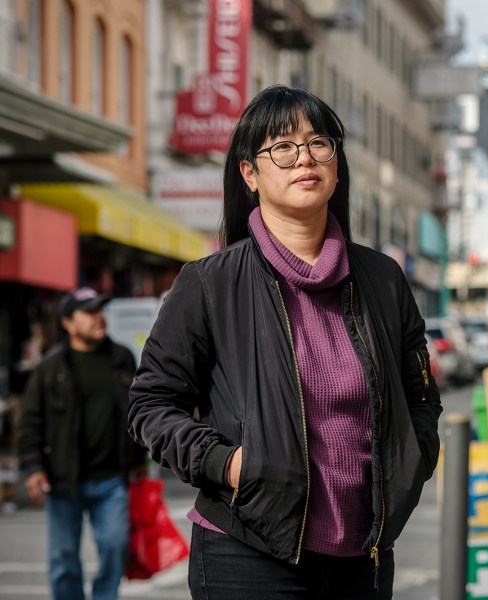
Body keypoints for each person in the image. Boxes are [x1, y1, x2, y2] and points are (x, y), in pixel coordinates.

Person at [128, 85, 443, 600]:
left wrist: (413, 463)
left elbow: (421, 395)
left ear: (337, 167)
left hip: (363, 556)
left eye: (319, 144)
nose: (304, 158)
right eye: (282, 147)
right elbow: (151, 405)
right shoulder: (210, 284)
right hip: (248, 551)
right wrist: (229, 466)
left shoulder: (383, 279)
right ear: (249, 174)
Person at [17, 287, 145, 600]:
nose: (98, 318)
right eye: (88, 312)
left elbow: (141, 410)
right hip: (63, 480)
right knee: (63, 561)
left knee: (116, 547)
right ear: (68, 324)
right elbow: (30, 422)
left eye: (100, 310)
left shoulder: (122, 358)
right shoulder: (51, 368)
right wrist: (34, 467)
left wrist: (140, 459)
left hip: (112, 479)